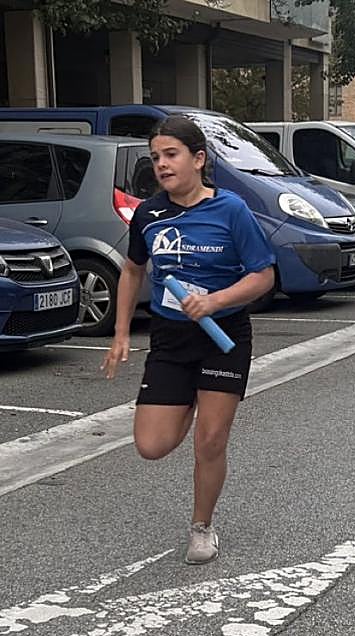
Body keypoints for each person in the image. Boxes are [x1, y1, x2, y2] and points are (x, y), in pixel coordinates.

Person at [100, 115, 275, 565]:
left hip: (223, 336)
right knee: (151, 445)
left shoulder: (231, 209)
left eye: (171, 154)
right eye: (155, 157)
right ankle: (191, 400)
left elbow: (263, 275)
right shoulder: (148, 214)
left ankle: (201, 527)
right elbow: (133, 270)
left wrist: (215, 301)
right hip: (171, 339)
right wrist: (121, 333)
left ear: (198, 159)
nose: (161, 164)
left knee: (210, 441)